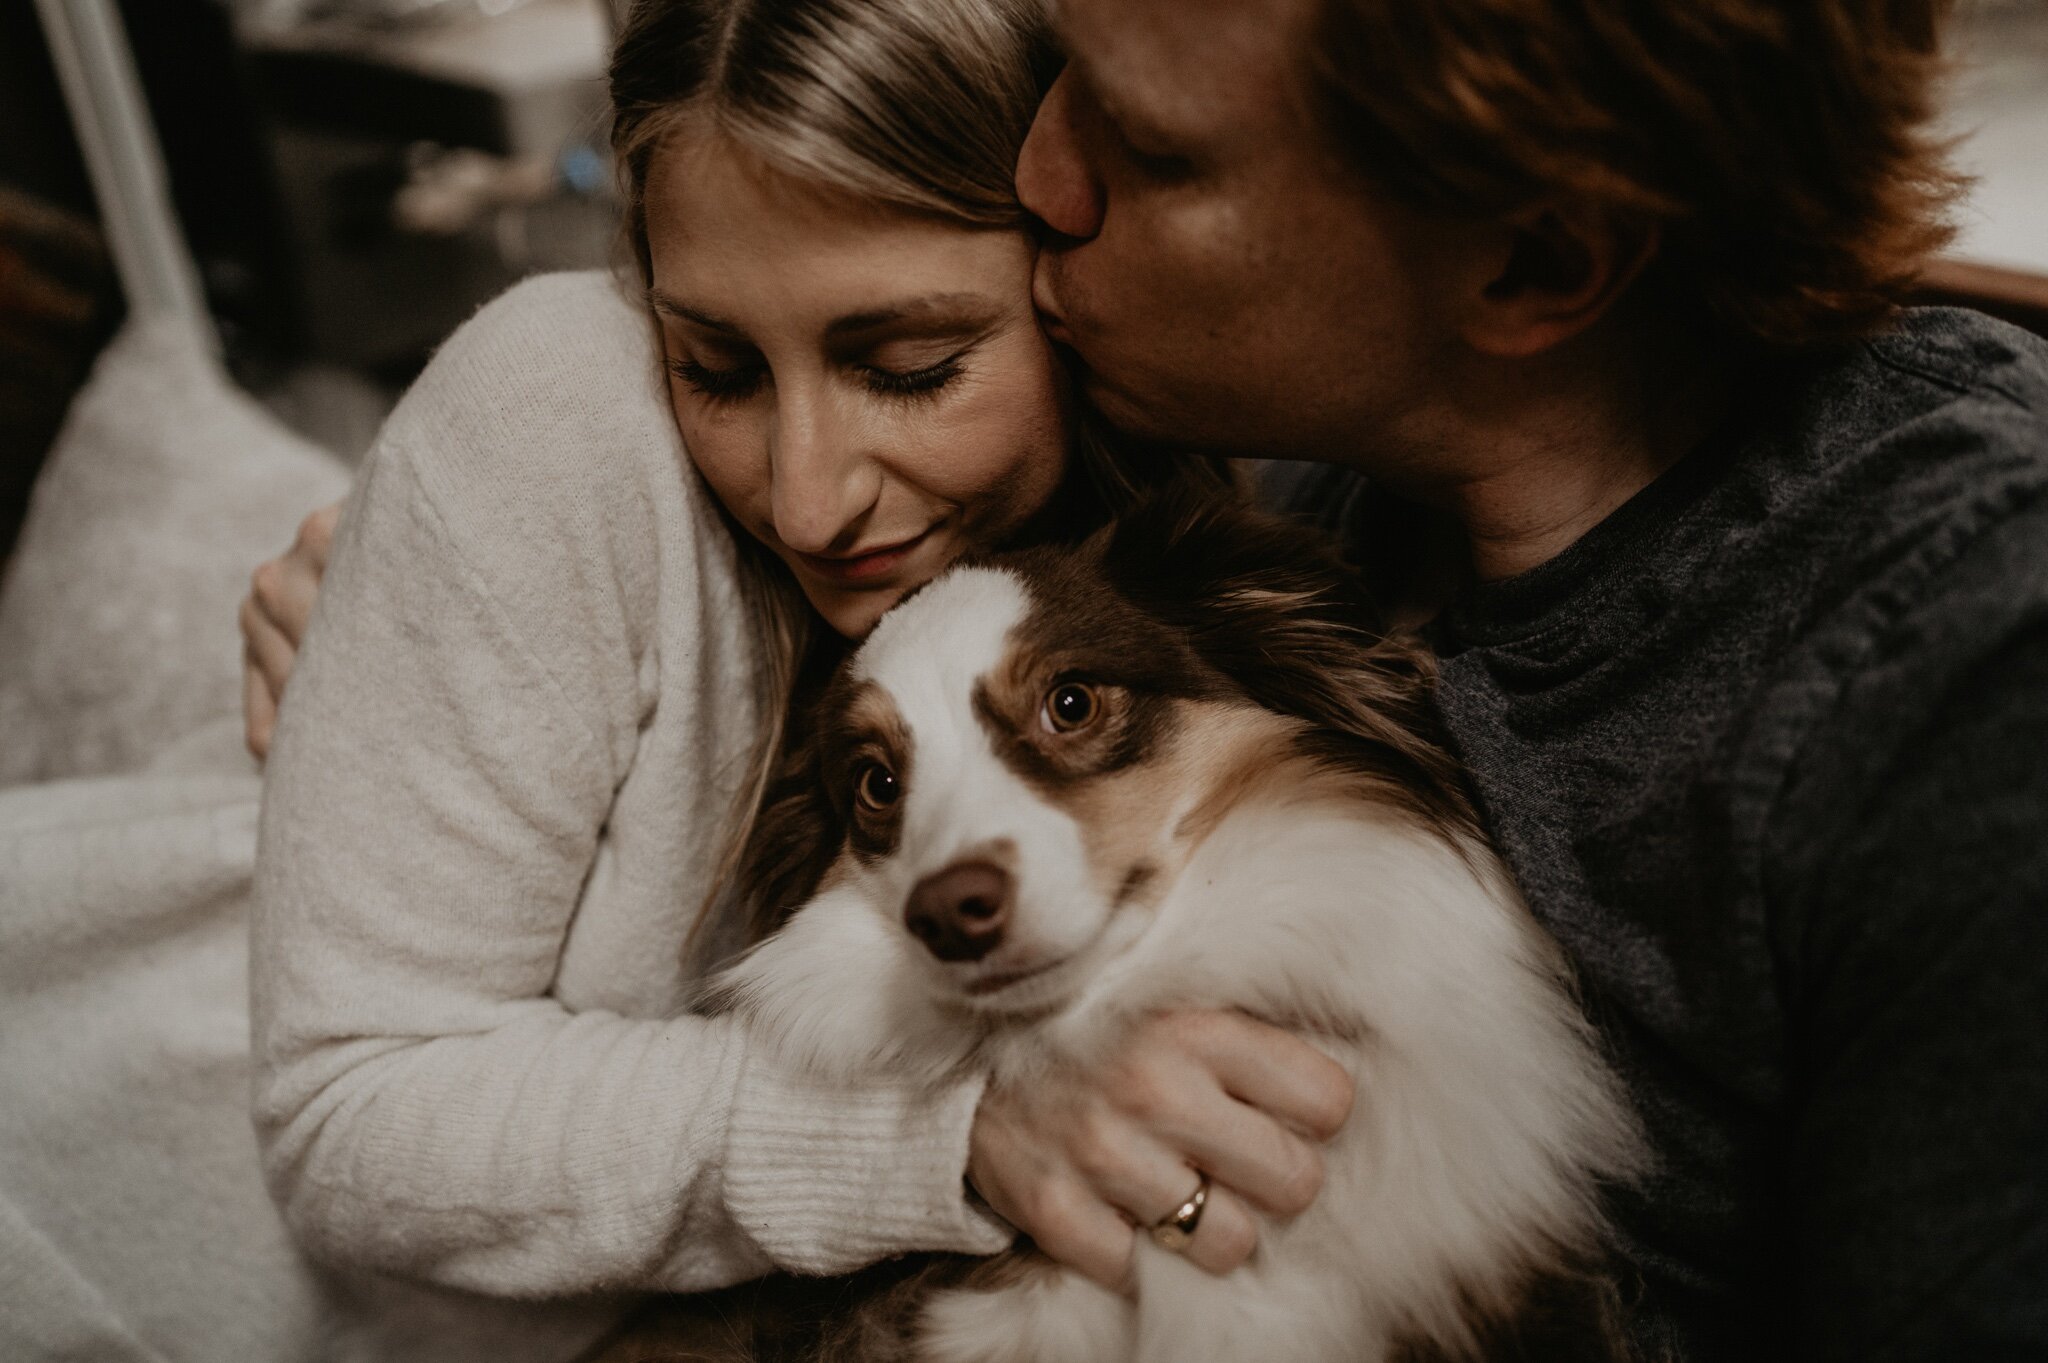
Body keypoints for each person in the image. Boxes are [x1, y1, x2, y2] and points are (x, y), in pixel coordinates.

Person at [244, 0, 2048, 1359]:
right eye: (1067, 79)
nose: (1043, 180)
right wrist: (418, 605)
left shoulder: (1955, 680)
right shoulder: (1250, 436)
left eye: (1151, 148)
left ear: (1536, 261)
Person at [234, 0, 1354, 1359]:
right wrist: (950, 1130)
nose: (808, 502)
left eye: (909, 369)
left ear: (1080, 268)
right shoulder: (554, 413)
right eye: (713, 367)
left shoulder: (1207, 486)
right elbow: (348, 1113)